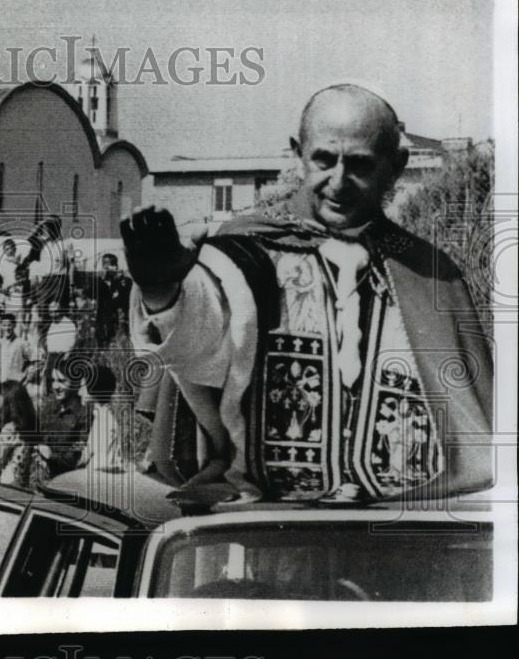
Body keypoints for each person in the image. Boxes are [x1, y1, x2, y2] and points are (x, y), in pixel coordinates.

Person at [122, 83, 493, 504]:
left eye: (359, 164)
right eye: (324, 159)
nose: (339, 181)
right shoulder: (246, 248)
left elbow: (471, 432)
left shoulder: (428, 273)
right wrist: (162, 289)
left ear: (396, 165)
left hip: (402, 533)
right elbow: (201, 341)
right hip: (270, 534)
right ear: (299, 152)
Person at [0, 381, 50, 489]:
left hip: (6, 486)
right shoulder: (31, 426)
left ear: (8, 402)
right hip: (25, 485)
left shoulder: (9, 430)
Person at [38, 354, 90, 477]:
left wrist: (51, 456)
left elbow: (77, 458)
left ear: (75, 383)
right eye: (53, 381)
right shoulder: (52, 409)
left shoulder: (83, 415)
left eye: (62, 381)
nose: (55, 387)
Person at [94, 253, 132, 345]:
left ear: (116, 266)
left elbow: (127, 297)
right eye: (104, 264)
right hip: (104, 322)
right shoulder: (99, 282)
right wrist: (101, 280)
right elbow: (92, 294)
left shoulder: (124, 281)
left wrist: (121, 279)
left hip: (119, 321)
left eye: (109, 264)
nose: (107, 268)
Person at [0, 313, 34, 384]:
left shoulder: (22, 343)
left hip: (17, 384)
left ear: (14, 325)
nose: (7, 328)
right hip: (2, 383)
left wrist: (26, 377)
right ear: (1, 326)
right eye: (4, 325)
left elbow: (35, 360)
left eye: (9, 325)